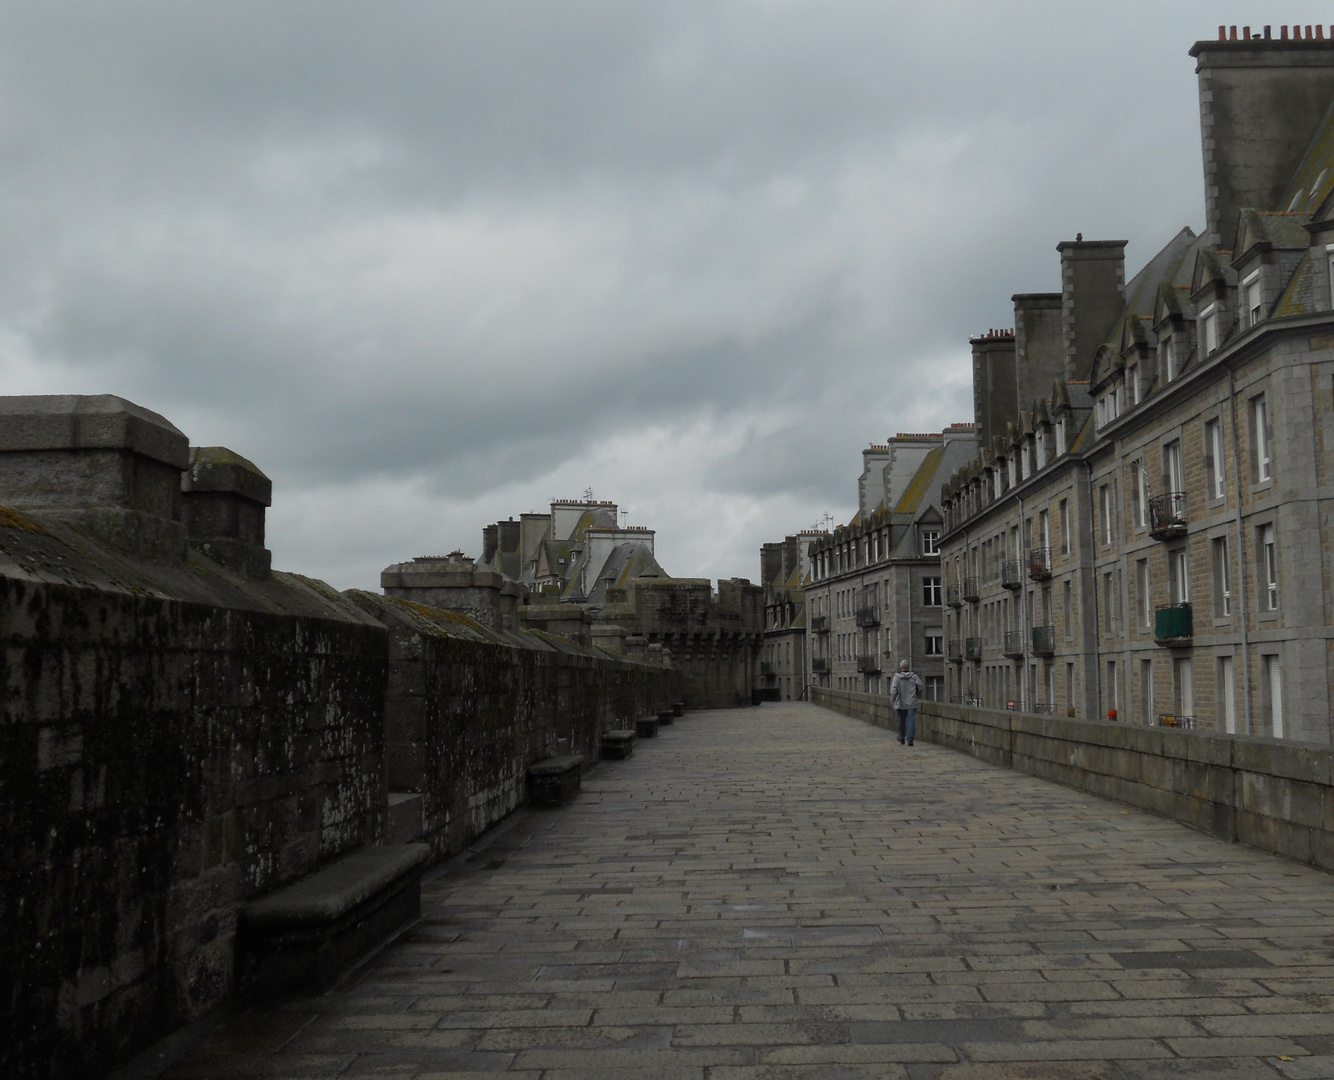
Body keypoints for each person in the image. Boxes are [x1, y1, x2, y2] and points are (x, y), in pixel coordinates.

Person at [889, 659, 925, 746]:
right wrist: (917, 694)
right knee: (911, 721)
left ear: (901, 667)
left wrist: (893, 699)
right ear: (908, 667)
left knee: (901, 721)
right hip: (912, 702)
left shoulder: (896, 678)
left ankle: (901, 738)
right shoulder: (914, 677)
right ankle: (910, 739)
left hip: (901, 703)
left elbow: (893, 691)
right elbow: (921, 686)